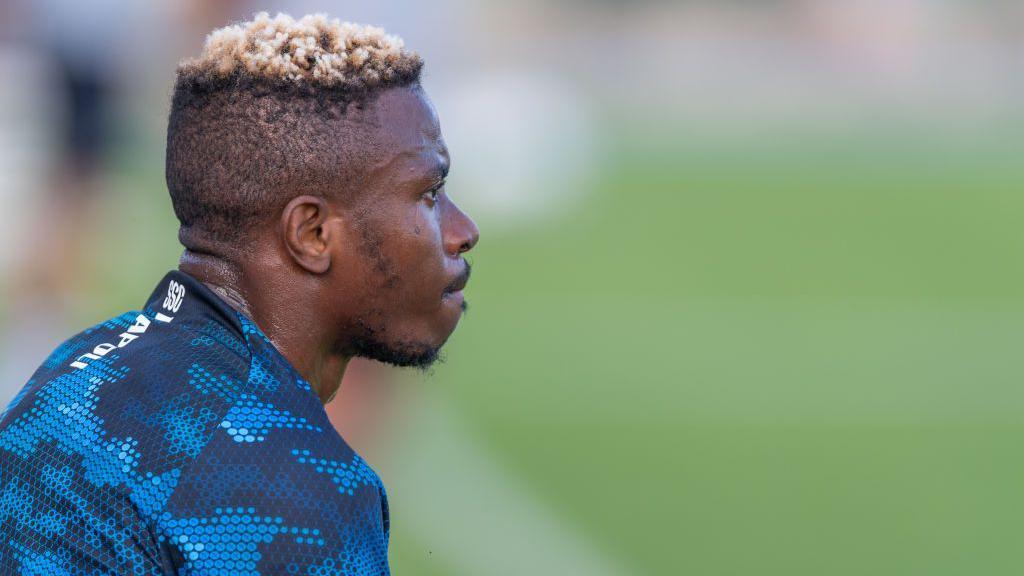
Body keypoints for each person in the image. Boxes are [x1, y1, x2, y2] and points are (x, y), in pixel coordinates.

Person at [0, 12, 478, 576]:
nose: (462, 230)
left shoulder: (69, 368)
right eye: (428, 194)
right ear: (312, 234)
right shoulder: (295, 496)